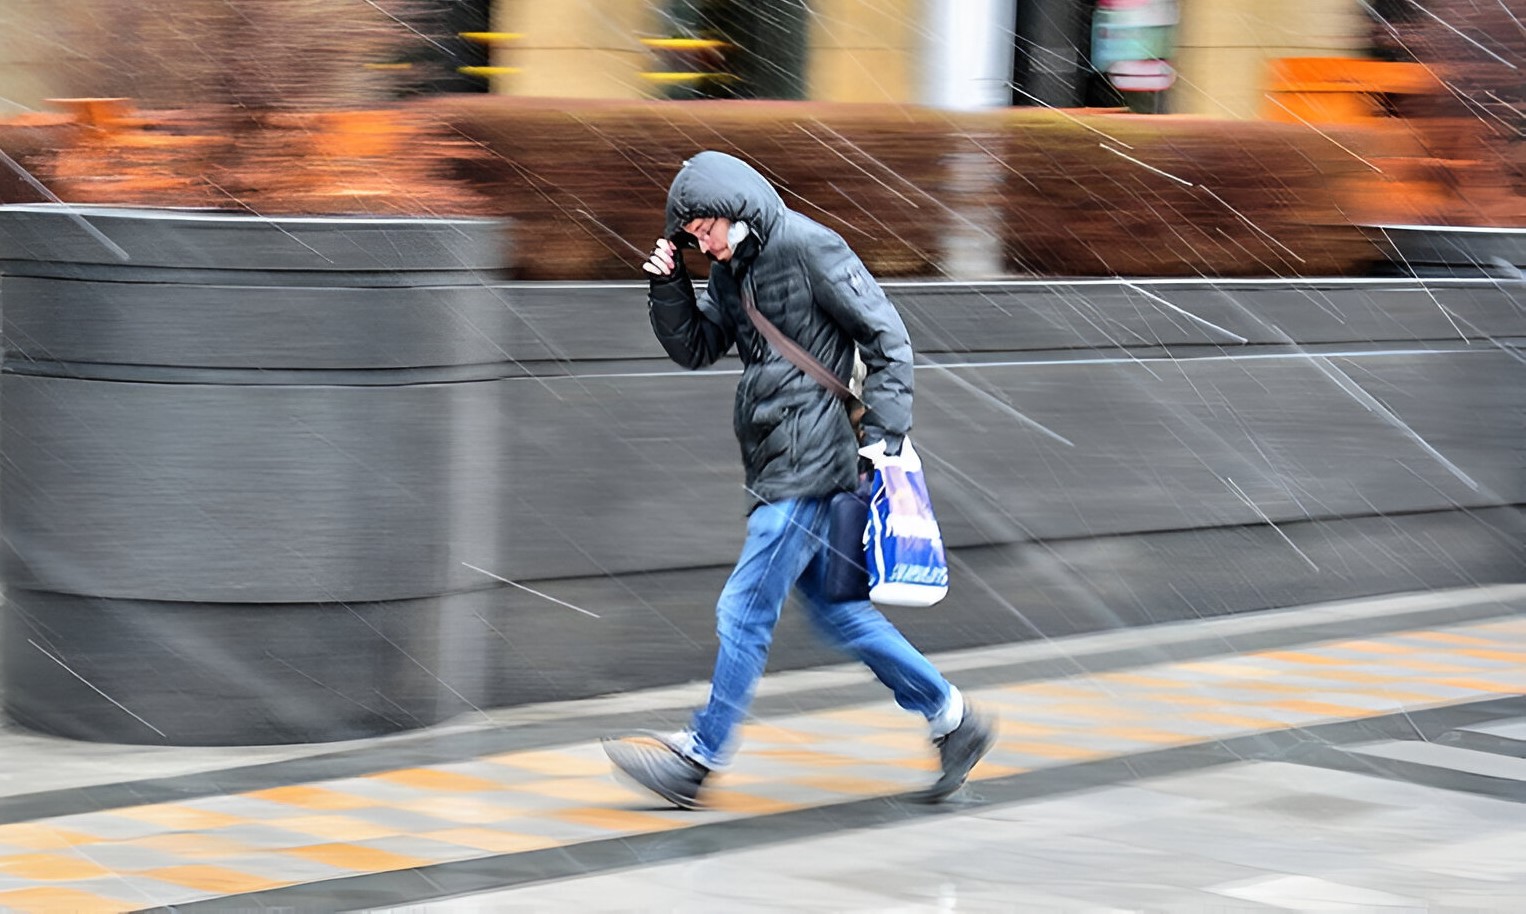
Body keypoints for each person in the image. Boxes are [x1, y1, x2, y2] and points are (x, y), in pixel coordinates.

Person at [602, 150, 994, 809]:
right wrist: (670, 288)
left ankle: (698, 759)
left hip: (813, 460)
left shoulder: (811, 246)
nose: (706, 245)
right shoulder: (732, 273)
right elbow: (698, 349)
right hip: (775, 457)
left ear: (737, 208)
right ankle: (954, 719)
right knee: (837, 611)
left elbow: (886, 334)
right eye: (694, 239)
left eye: (707, 231)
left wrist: (883, 436)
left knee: (744, 607)